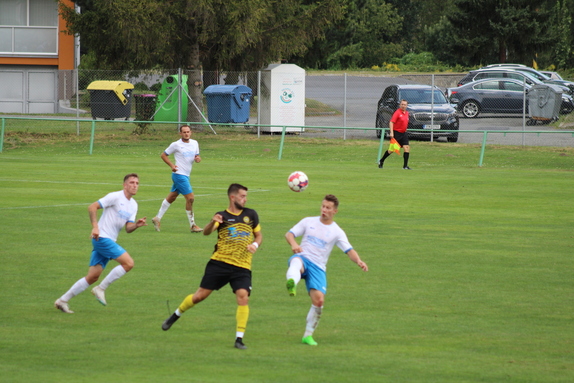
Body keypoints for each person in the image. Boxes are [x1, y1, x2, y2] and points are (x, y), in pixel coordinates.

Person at [161, 183, 262, 350]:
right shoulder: (221, 216)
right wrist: (211, 222)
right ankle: (175, 315)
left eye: (246, 196)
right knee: (199, 296)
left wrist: (255, 246)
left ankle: (239, 339)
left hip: (242, 266)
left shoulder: (251, 215)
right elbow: (207, 232)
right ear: (232, 197)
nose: (245, 199)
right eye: (242, 196)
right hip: (219, 263)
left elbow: (258, 236)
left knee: (243, 296)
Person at [54, 173, 147, 313]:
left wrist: (137, 225)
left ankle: (62, 301)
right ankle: (100, 288)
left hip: (108, 240)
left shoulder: (133, 205)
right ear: (125, 185)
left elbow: (128, 228)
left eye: (137, 183)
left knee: (92, 277)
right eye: (132, 182)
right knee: (128, 263)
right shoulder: (115, 196)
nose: (135, 185)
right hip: (102, 238)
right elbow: (92, 207)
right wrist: (95, 227)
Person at [285, 194, 368, 346]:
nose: (324, 210)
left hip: (318, 267)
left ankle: (307, 335)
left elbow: (349, 250)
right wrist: (294, 244)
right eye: (323, 206)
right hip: (303, 257)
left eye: (328, 208)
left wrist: (359, 261)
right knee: (296, 262)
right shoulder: (308, 221)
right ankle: (292, 282)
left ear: (334, 211)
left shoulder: (337, 232)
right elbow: (289, 234)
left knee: (319, 301)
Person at [152, 125, 203, 233]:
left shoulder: (195, 143)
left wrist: (198, 159)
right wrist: (171, 165)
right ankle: (193, 225)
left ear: (191, 132)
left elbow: (197, 156)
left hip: (186, 175)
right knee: (190, 198)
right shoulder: (176, 145)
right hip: (179, 175)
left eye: (188, 132)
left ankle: (157, 218)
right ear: (180, 133)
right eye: (184, 132)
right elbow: (163, 155)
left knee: (172, 197)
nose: (186, 134)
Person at [378, 99, 412, 170]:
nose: (403, 106)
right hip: (397, 133)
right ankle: (381, 160)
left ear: (406, 106)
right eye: (402, 104)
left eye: (404, 105)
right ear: (400, 105)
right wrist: (391, 132)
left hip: (404, 133)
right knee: (392, 150)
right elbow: (391, 122)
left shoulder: (407, 113)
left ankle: (405, 166)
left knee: (407, 148)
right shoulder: (397, 112)